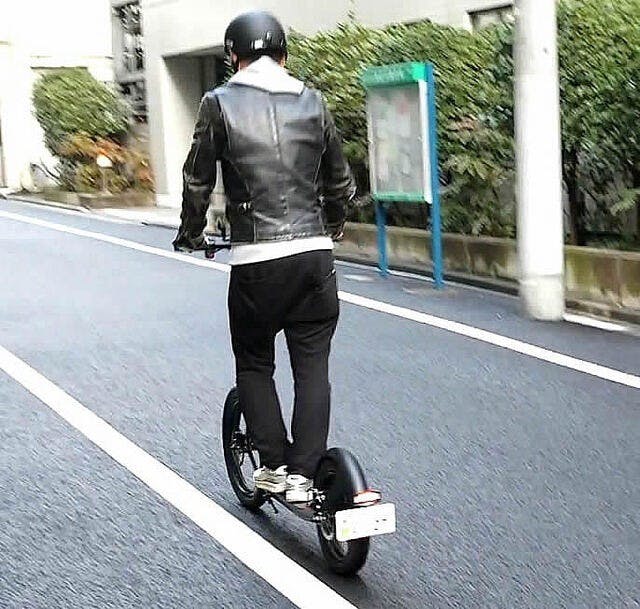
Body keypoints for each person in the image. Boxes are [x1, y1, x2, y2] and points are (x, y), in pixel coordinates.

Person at [173, 10, 356, 503]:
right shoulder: (313, 100)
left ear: (233, 57)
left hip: (258, 259)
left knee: (255, 361)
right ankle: (305, 472)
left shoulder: (218, 103)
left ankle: (273, 465)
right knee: (312, 366)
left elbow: (197, 179)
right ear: (284, 56)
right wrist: (333, 225)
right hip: (315, 255)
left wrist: (190, 234)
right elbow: (340, 182)